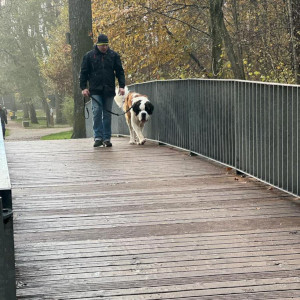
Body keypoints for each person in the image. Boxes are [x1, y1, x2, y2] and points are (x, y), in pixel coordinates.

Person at [80, 34, 125, 147]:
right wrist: (84, 87)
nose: (104, 47)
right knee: (97, 111)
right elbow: (84, 73)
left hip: (109, 89)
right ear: (97, 45)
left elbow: (120, 71)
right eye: (102, 45)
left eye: (106, 45)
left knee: (107, 114)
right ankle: (98, 137)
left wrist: (121, 86)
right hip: (95, 90)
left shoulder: (114, 55)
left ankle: (106, 138)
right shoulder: (89, 56)